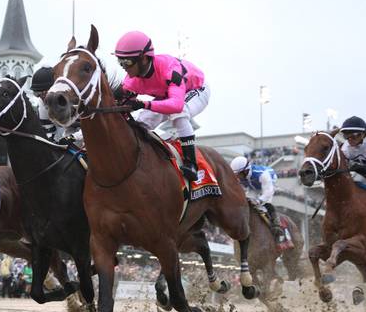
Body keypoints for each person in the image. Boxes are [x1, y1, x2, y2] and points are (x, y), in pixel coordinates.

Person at [114, 31, 209, 181]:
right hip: (168, 94)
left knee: (180, 113)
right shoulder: (132, 80)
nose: (123, 67)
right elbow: (118, 108)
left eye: (127, 62)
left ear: (144, 58)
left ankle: (191, 164)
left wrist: (144, 104)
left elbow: (176, 105)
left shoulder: (170, 70)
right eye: (120, 62)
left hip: (195, 89)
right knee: (141, 123)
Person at [230, 156, 283, 241]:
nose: (237, 177)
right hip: (253, 187)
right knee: (248, 202)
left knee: (266, 203)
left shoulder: (262, 174)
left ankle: (277, 224)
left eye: (238, 174)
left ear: (245, 170)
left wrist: (259, 200)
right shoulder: (242, 176)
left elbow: (268, 191)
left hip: (269, 182)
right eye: (236, 175)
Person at [30, 66, 83, 146]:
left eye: (44, 93)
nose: (42, 97)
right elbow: (48, 130)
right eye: (37, 94)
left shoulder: (76, 98)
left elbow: (92, 127)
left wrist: (73, 137)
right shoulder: (43, 103)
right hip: (70, 131)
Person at [339, 116, 366, 189]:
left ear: (363, 134)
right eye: (346, 137)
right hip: (360, 176)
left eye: (353, 136)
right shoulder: (345, 148)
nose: (350, 140)